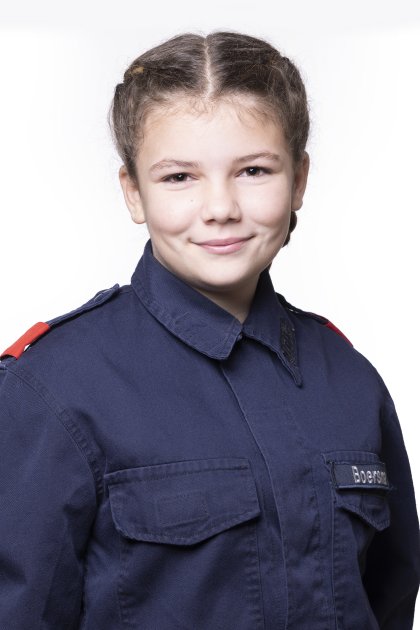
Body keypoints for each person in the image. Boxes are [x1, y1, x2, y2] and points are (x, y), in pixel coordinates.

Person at [0, 30, 418, 630]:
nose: (220, 207)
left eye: (253, 170)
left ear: (299, 180)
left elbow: (390, 596)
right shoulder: (52, 389)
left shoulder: (350, 380)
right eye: (179, 177)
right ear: (133, 192)